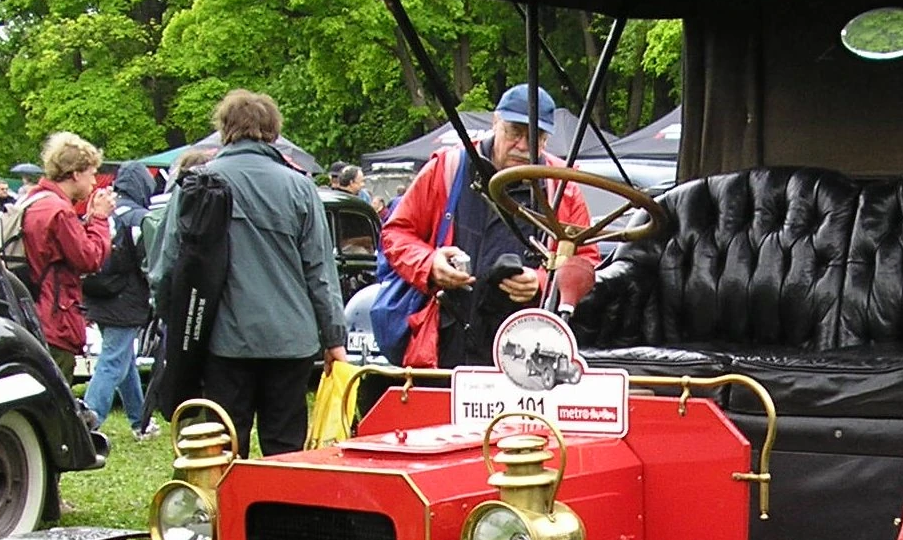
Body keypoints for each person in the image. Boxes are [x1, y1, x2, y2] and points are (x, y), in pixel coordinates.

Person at [149, 89, 346, 456]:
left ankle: (230, 496)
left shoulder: (198, 183)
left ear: (224, 129)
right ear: (274, 131)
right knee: (285, 450)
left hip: (223, 339)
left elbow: (167, 265)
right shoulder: (301, 187)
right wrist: (335, 338)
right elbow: (321, 271)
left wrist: (172, 322)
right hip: (291, 340)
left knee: (223, 448)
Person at [378, 84, 591, 368]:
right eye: (514, 132)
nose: (523, 146)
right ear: (495, 123)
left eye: (536, 138)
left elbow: (585, 262)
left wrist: (542, 282)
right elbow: (396, 234)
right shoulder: (448, 168)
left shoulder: (563, 185)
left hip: (527, 346)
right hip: (448, 337)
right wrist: (430, 264)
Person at [21, 132, 114, 384]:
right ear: (75, 174)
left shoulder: (33, 201)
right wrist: (100, 219)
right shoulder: (59, 211)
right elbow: (89, 258)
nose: (94, 181)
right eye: (91, 173)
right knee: (54, 395)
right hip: (56, 320)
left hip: (31, 311)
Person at [82, 160, 159, 440]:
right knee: (114, 360)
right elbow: (149, 262)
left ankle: (141, 421)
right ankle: (87, 421)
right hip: (126, 300)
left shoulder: (104, 213)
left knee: (124, 360)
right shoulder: (139, 218)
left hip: (98, 296)